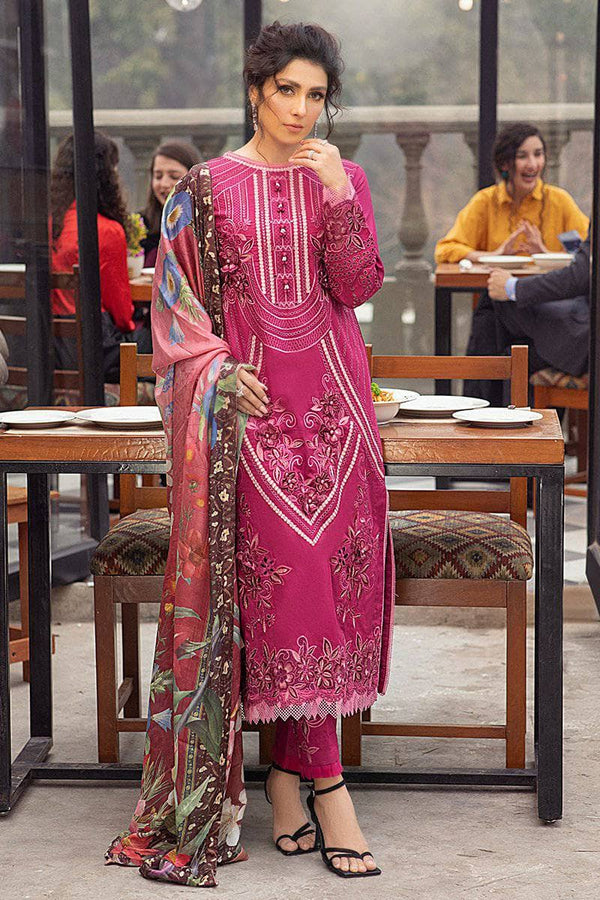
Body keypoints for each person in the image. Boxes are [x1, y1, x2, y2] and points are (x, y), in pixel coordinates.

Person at [105, 21, 393, 887]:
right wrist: (220, 373)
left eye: (316, 95)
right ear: (256, 90)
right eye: (286, 90)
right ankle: (329, 789)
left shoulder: (345, 177)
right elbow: (173, 311)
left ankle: (286, 781)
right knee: (280, 599)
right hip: (248, 421)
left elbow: (359, 286)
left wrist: (338, 194)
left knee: (326, 600)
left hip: (338, 420)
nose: (300, 109)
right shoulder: (204, 188)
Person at [435, 123, 588, 403]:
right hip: (515, 310)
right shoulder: (486, 202)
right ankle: (501, 407)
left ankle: (479, 405)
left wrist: (544, 251)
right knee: (494, 310)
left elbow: (585, 259)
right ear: (505, 163)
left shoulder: (559, 201)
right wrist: (492, 254)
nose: (533, 164)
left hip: (551, 309)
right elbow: (445, 249)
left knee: (491, 310)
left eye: (538, 154)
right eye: (523, 156)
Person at [50, 131, 152, 383]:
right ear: (106, 176)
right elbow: (122, 315)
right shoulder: (106, 230)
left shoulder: (50, 225)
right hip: (96, 353)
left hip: (53, 350)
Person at [485, 233, 590, 378]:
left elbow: (581, 276)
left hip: (589, 333)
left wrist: (514, 288)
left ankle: (486, 382)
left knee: (499, 303)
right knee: (502, 304)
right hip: (584, 307)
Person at [140, 140, 202, 267]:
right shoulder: (140, 225)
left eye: (174, 176)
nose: (164, 184)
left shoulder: (207, 226)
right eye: (158, 176)